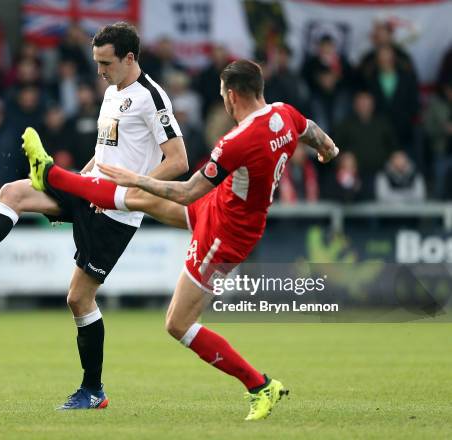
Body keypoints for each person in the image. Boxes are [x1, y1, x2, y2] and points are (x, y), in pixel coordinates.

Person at [21, 59, 338, 420]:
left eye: (222, 96)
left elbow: (187, 192)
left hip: (225, 235)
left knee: (178, 323)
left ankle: (260, 385)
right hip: (219, 207)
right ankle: (53, 176)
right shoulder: (283, 113)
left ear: (232, 96)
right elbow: (308, 129)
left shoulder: (237, 140)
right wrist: (328, 147)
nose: (223, 102)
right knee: (139, 200)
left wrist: (137, 177)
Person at [0, 23, 188, 409]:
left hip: (116, 214)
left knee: (78, 300)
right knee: (13, 192)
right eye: (96, 63)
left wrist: (126, 192)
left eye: (106, 63)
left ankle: (93, 391)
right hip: (89, 190)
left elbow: (177, 161)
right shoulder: (111, 92)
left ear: (130, 58)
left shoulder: (152, 97)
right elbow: (105, 152)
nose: (100, 71)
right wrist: (82, 181)